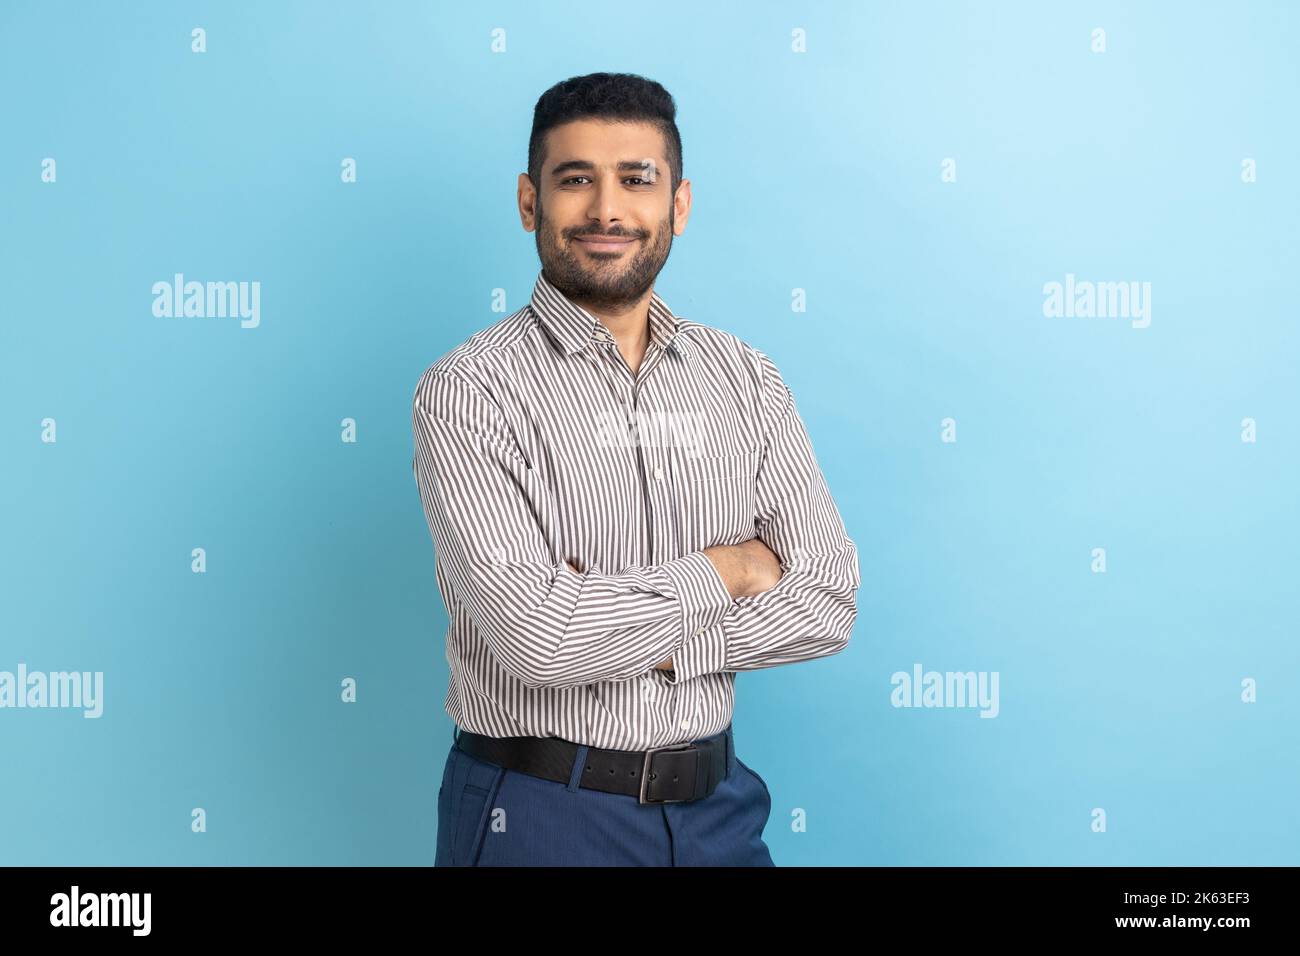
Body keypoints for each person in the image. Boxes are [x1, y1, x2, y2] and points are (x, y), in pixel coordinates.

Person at [411, 72, 860, 866]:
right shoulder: (469, 391)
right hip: (543, 810)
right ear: (529, 202)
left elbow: (826, 601)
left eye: (636, 180)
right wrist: (728, 567)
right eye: (575, 179)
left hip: (719, 810)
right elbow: (542, 643)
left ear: (678, 204)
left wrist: (617, 623)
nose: (607, 210)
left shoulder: (745, 378)